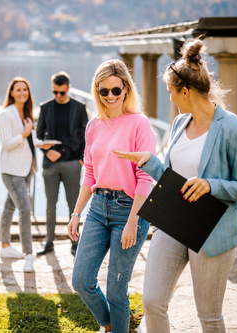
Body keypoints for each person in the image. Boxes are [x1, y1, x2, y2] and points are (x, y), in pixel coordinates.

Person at [114, 38, 237, 332]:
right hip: (173, 221)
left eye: (170, 92)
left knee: (208, 315)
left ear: (186, 91)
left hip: (212, 231)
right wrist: (149, 161)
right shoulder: (180, 123)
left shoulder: (235, 129)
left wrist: (210, 185)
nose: (169, 98)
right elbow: (172, 174)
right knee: (153, 302)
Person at [68, 59, 156, 333]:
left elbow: (145, 177)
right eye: (103, 91)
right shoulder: (93, 126)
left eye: (115, 91)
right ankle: (108, 326)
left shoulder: (139, 124)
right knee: (81, 280)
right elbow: (90, 174)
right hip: (98, 207)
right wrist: (75, 214)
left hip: (130, 210)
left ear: (126, 89)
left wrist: (132, 221)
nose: (110, 97)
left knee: (117, 289)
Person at [36, 71, 88, 256]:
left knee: (73, 205)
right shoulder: (45, 108)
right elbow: (39, 135)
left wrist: (82, 158)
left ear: (69, 89)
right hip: (50, 165)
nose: (58, 96)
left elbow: (87, 135)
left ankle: (75, 243)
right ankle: (49, 242)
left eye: (61, 92)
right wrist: (46, 151)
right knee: (51, 204)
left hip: (73, 164)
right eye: (55, 92)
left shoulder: (79, 108)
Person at [0, 77, 38, 273]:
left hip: (25, 169)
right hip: (12, 171)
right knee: (25, 210)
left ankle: (5, 246)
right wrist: (24, 133)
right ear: (11, 92)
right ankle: (28, 254)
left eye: (25, 90)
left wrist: (38, 142)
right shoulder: (6, 115)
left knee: (9, 208)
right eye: (18, 90)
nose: (22, 93)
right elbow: (7, 143)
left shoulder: (26, 115)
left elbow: (29, 141)